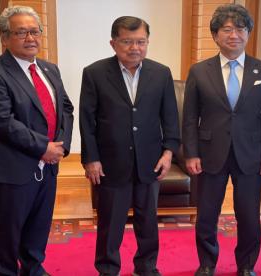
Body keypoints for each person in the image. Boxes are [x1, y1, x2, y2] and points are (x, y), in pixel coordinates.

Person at [182, 4, 261, 276]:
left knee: (249, 216)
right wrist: (190, 153)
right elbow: (190, 117)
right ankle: (206, 263)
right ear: (215, 35)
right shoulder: (200, 71)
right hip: (209, 153)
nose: (234, 34)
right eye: (227, 29)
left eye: (240, 28)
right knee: (206, 215)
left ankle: (246, 266)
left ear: (248, 33)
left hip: (251, 154)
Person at [0, 6, 74, 276]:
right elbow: (3, 122)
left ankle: (33, 269)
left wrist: (61, 145)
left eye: (35, 31)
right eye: (21, 32)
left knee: (39, 224)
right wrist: (43, 147)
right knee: (10, 229)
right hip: (13, 166)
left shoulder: (49, 69)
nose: (31, 38)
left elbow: (65, 108)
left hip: (49, 164)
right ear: (4, 38)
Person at [79, 16, 180, 276]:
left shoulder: (161, 73)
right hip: (111, 162)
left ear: (147, 42)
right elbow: (86, 120)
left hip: (150, 160)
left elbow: (170, 117)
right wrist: (91, 158)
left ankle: (146, 268)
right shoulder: (95, 73)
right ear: (113, 43)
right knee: (110, 223)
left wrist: (168, 153)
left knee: (148, 222)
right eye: (127, 41)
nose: (135, 48)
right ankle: (107, 269)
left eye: (141, 42)